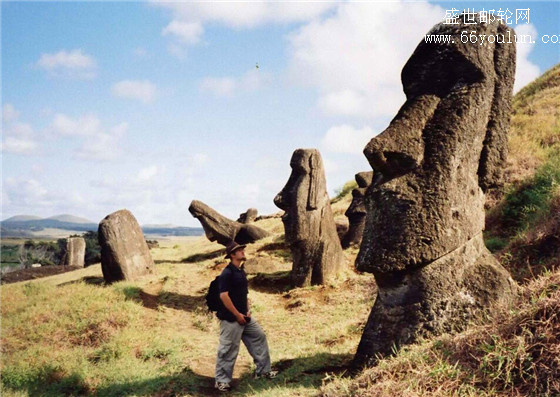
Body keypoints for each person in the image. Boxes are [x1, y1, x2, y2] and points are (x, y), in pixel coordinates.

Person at [214, 241, 278, 392]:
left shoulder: (240, 271)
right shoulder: (227, 273)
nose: (242, 251)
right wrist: (237, 315)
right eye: (239, 250)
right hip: (231, 319)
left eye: (242, 249)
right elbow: (224, 296)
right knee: (228, 349)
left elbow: (244, 294)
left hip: (245, 316)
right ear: (232, 255)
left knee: (259, 336)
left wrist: (247, 311)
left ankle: (263, 371)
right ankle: (221, 381)